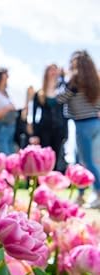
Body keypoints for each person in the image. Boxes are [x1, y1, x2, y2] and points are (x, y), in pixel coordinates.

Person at [57, 50, 100, 207]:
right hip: (96, 123)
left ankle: (98, 193)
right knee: (84, 161)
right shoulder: (95, 80)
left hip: (82, 125)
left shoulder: (74, 81)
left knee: (87, 162)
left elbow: (60, 98)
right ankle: (81, 195)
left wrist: (62, 80)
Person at [32, 64, 68, 172]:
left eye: (55, 70)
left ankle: (54, 178)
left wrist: (66, 132)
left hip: (59, 129)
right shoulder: (39, 93)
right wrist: (34, 134)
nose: (53, 72)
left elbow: (65, 114)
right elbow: (34, 114)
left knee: (57, 157)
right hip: (44, 130)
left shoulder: (62, 91)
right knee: (44, 157)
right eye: (50, 70)